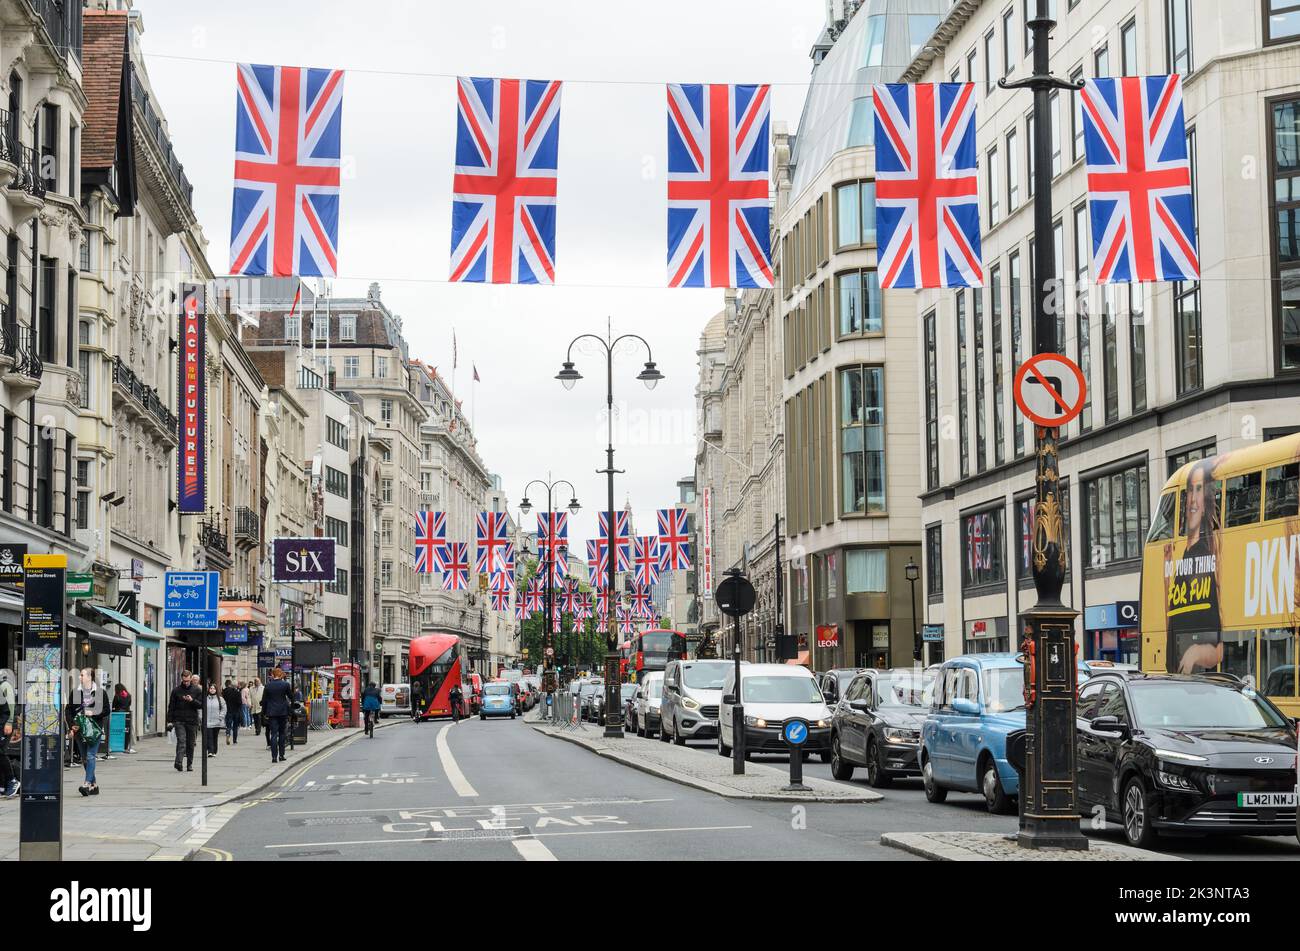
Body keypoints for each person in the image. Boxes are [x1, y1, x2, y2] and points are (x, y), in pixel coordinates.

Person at [70, 668, 104, 796]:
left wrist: (93, 712)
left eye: (82, 675)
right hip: (80, 730)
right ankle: (94, 785)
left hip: (94, 730)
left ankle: (86, 784)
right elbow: (69, 710)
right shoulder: (76, 692)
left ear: (90, 677)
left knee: (90, 756)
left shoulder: (100, 692)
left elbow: (106, 710)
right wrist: (72, 726)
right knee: (84, 758)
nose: (80, 677)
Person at [167, 672, 202, 771]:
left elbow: (201, 705)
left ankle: (189, 764)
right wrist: (169, 721)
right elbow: (171, 706)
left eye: (187, 681)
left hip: (192, 720)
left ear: (191, 679)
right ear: (182, 679)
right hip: (179, 720)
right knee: (181, 741)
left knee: (190, 744)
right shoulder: (176, 690)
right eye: (184, 680)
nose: (186, 682)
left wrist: (192, 700)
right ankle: (178, 762)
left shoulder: (197, 690)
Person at [262, 667, 294, 763]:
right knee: (282, 733)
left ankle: (274, 757)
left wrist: (264, 713)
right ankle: (281, 755)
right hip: (282, 712)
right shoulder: (285, 685)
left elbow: (264, 701)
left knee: (274, 734)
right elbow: (291, 697)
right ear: (280, 675)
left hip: (271, 713)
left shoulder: (268, 685)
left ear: (273, 675)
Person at [0, 671, 18, 798]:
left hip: (5, 722)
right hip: (3, 721)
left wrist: (10, 722)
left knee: (0, 751)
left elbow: (11, 705)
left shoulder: (5, 685)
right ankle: (2, 785)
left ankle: (12, 780)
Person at [112, 683, 135, 754]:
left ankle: (117, 746)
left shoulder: (117, 696)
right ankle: (125, 747)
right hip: (127, 716)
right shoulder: (129, 695)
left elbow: (113, 706)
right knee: (126, 731)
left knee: (118, 731)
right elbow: (129, 704)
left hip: (118, 716)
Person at [204, 683, 225, 758]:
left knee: (214, 737)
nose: (212, 690)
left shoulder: (220, 699)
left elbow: (224, 708)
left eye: (214, 688)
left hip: (217, 721)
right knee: (209, 736)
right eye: (211, 688)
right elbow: (201, 708)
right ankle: (210, 751)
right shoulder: (205, 698)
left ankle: (214, 751)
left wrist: (221, 717)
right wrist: (201, 717)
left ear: (216, 690)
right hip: (207, 721)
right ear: (208, 689)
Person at [221, 679, 242, 745]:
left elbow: (223, 699)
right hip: (236, 711)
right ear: (236, 686)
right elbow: (239, 703)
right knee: (235, 726)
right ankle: (235, 740)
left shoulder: (225, 691)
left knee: (228, 725)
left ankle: (228, 733)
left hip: (228, 710)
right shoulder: (238, 693)